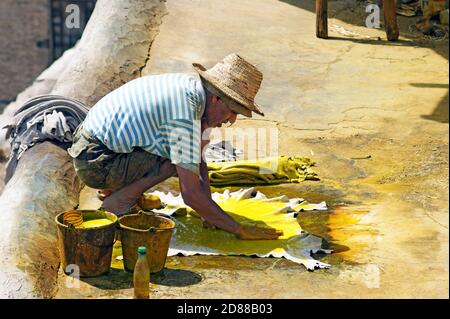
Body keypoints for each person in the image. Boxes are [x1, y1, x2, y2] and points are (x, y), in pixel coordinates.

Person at [68, 53, 283, 240]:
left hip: (96, 147)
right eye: (233, 111)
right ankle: (120, 200)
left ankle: (116, 188)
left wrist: (209, 212)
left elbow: (199, 160)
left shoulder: (192, 90)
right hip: (96, 162)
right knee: (178, 160)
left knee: (190, 151)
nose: (232, 120)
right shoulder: (185, 115)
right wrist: (238, 229)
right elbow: (190, 193)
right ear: (217, 99)